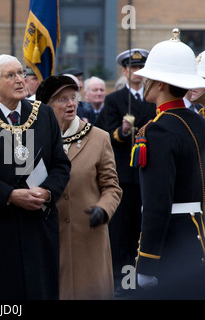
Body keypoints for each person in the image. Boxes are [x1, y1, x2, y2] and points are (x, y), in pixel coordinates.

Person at [0, 54, 71, 299]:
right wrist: (10, 195)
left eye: (21, 73)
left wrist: (48, 191)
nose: (20, 80)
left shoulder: (44, 114)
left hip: (39, 223)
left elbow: (61, 164)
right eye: (11, 75)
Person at [131, 29, 205, 299]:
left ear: (160, 83)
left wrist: (147, 260)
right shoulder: (198, 120)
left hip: (171, 245)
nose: (145, 81)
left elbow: (157, 203)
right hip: (198, 237)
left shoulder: (159, 130)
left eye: (149, 76)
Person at [36, 75, 122, 300]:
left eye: (73, 98)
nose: (71, 104)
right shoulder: (33, 140)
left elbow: (112, 187)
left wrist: (103, 209)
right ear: (46, 106)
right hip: (48, 237)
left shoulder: (99, 138)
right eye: (62, 99)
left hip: (88, 236)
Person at [94, 48, 157, 296]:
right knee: (120, 229)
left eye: (141, 68)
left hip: (146, 170)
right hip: (123, 172)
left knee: (141, 227)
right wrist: (122, 132)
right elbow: (105, 135)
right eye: (132, 68)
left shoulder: (152, 98)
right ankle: (121, 278)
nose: (137, 73)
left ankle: (140, 277)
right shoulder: (114, 99)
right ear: (124, 71)